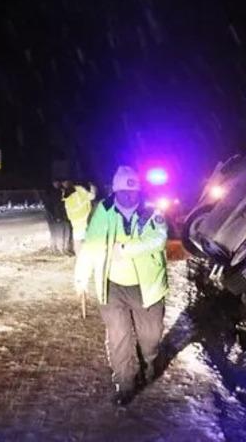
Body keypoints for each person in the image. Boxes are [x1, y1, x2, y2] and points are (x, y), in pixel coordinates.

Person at [74, 165, 168, 405]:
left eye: (133, 191)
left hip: (147, 288)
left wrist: (125, 250)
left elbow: (158, 239)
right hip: (112, 286)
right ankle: (124, 384)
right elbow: (92, 244)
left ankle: (148, 361)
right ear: (115, 191)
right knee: (118, 337)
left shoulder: (150, 209)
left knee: (150, 337)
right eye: (124, 192)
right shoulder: (104, 210)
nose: (129, 196)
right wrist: (81, 277)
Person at [63, 180, 97, 253]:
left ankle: (80, 257)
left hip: (76, 225)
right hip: (86, 223)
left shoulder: (66, 197)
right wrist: (93, 188)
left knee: (78, 245)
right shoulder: (80, 190)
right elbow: (92, 196)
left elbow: (68, 215)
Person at [43, 180, 64, 253]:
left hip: (54, 215)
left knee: (56, 231)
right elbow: (50, 206)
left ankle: (55, 247)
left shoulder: (58, 191)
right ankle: (54, 247)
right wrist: (55, 216)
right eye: (56, 183)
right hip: (52, 215)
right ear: (53, 183)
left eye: (58, 183)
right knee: (54, 231)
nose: (58, 184)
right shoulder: (51, 192)